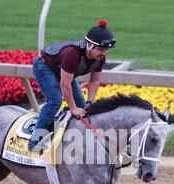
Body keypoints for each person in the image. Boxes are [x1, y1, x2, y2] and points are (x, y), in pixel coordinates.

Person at [28, 19, 116, 151]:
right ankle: (36, 141)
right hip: (44, 66)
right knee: (55, 101)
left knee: (82, 104)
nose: (103, 53)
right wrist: (73, 108)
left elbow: (95, 80)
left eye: (106, 50)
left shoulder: (100, 58)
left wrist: (90, 101)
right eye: (101, 49)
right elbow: (65, 84)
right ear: (90, 46)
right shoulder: (72, 54)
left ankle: (79, 139)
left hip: (63, 71)